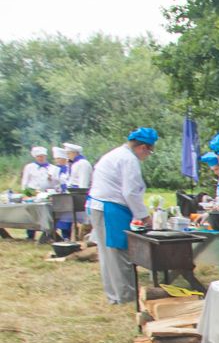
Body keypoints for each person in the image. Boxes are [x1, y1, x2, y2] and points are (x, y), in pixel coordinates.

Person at [88, 128, 157, 304]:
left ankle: (115, 295)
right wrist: (144, 217)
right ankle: (125, 297)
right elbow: (131, 192)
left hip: (101, 206)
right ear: (143, 147)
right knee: (119, 253)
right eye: (150, 151)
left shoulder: (117, 154)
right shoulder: (128, 159)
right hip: (110, 208)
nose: (148, 155)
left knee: (108, 255)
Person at [19, 147, 56, 240]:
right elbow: (25, 182)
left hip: (45, 193)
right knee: (31, 213)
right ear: (35, 157)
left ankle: (47, 233)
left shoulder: (51, 168)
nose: (41, 158)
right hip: (32, 192)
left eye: (43, 156)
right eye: (39, 156)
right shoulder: (29, 167)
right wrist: (26, 194)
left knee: (45, 213)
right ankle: (30, 234)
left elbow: (55, 183)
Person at [50, 147, 73, 239]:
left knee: (67, 217)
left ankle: (67, 235)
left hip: (67, 194)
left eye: (59, 158)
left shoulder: (69, 167)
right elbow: (54, 183)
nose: (57, 161)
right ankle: (60, 235)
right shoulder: (54, 169)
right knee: (59, 215)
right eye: (56, 159)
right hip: (59, 194)